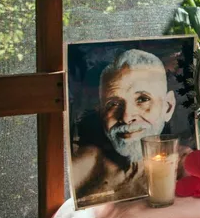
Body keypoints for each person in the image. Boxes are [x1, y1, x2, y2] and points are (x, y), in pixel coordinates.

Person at [71, 49, 179, 205]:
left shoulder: (188, 169)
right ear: (101, 112)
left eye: (142, 99)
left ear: (168, 107)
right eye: (113, 104)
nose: (127, 117)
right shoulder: (82, 170)